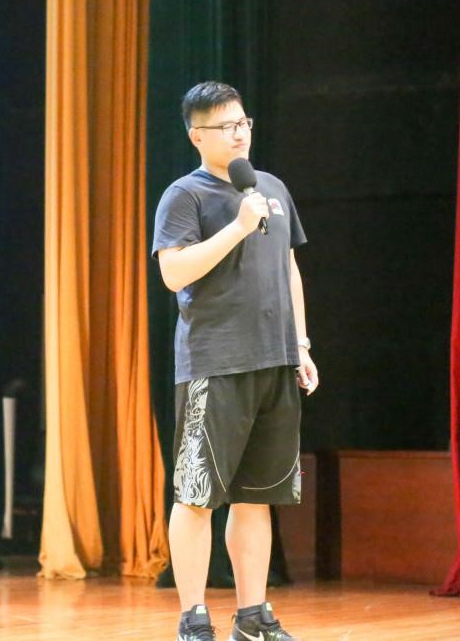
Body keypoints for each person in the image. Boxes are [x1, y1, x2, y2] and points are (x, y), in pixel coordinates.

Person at [152, 82, 318, 641]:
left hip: (275, 361)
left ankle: (253, 617)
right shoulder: (185, 195)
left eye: (243, 122)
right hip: (215, 364)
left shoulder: (271, 188)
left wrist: (301, 345)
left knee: (257, 498)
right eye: (226, 126)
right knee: (197, 494)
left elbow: (288, 268)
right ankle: (193, 617)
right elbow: (174, 273)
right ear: (197, 135)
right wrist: (237, 227)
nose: (240, 133)